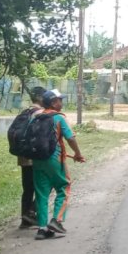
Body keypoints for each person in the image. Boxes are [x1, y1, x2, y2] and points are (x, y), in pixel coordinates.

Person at [32, 89, 86, 240]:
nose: (61, 102)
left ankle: (42, 229)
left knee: (41, 193)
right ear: (53, 102)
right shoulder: (59, 118)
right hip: (55, 159)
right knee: (64, 187)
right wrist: (78, 154)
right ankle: (57, 220)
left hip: (37, 160)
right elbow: (70, 138)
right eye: (59, 100)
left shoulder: (36, 117)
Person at [18, 86, 46, 229]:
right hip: (35, 155)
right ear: (41, 98)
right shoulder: (41, 113)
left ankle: (24, 220)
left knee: (28, 188)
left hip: (23, 155)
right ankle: (33, 213)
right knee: (44, 185)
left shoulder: (25, 111)